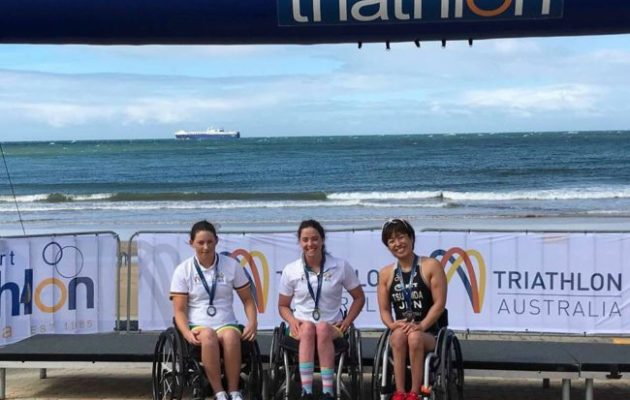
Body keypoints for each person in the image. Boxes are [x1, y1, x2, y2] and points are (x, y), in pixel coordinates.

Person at [170, 220, 258, 400]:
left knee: (231, 336)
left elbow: (248, 300)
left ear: (216, 241)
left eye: (210, 242)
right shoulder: (183, 270)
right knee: (209, 335)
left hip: (226, 322)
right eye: (200, 242)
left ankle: (233, 391)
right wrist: (186, 332)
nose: (206, 247)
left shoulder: (231, 265)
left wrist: (253, 322)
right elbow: (179, 311)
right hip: (198, 324)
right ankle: (219, 392)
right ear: (191, 243)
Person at [278, 219, 365, 400]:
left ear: (322, 240)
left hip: (331, 327)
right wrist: (292, 320)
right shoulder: (291, 270)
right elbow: (283, 306)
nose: (310, 244)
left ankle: (328, 391)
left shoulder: (340, 266)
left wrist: (347, 322)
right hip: (300, 327)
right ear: (300, 242)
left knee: (322, 327)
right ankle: (307, 391)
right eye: (305, 240)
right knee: (309, 328)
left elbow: (359, 297)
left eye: (315, 239)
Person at [377, 218, 447, 400]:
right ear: (387, 246)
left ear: (411, 238)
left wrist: (421, 326)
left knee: (414, 337)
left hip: (429, 332)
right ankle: (400, 392)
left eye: (401, 237)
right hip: (401, 329)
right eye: (391, 241)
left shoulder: (431, 266)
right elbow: (384, 310)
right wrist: (392, 325)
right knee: (398, 336)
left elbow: (439, 304)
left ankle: (415, 393)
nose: (397, 243)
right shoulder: (385, 273)